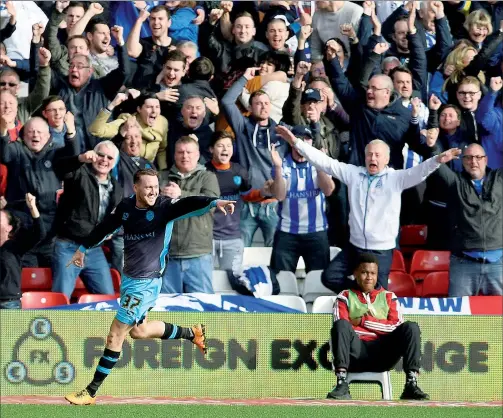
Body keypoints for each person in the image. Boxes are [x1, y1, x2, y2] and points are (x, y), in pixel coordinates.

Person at [64, 168, 235, 405]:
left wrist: (215, 202)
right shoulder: (126, 208)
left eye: (155, 186)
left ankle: (90, 392)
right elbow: (106, 227)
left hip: (146, 282)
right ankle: (191, 333)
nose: (153, 191)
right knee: (139, 332)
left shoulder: (164, 207)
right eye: (148, 187)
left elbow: (189, 204)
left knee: (116, 334)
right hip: (130, 279)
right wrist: (83, 249)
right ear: (136, 188)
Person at [275, 125, 461, 292]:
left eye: (378, 155)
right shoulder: (353, 174)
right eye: (369, 154)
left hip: (380, 251)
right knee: (330, 276)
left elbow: (419, 171)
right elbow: (325, 162)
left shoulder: (395, 179)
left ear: (387, 159)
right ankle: (359, 295)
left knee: (379, 296)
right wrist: (295, 142)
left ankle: (374, 317)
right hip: (355, 247)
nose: (373, 158)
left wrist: (437, 160)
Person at [327, 253, 429, 401]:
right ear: (355, 274)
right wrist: (380, 325)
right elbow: (342, 327)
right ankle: (341, 384)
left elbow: (395, 325)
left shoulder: (389, 297)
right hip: (355, 353)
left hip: (383, 353)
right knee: (341, 325)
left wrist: (363, 321)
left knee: (411, 327)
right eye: (364, 272)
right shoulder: (344, 296)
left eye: (373, 273)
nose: (369, 277)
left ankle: (411, 385)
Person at [52, 141, 123, 300]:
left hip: (94, 249)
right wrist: (80, 159)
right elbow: (59, 167)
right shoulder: (78, 173)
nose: (104, 160)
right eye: (100, 155)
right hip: (68, 247)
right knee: (60, 298)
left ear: (114, 163)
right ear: (93, 156)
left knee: (107, 299)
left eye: (109, 157)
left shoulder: (116, 187)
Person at [429, 143, 502, 296]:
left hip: (498, 264)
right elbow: (437, 167)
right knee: (458, 318)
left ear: (486, 160)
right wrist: (434, 150)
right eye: (468, 158)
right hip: (464, 264)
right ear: (462, 161)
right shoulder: (455, 181)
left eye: (478, 157)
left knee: (499, 317)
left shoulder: (499, 180)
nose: (473, 162)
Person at [269, 125, 334, 274]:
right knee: (282, 280)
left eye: (306, 139)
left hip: (317, 232)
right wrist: (278, 168)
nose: (303, 143)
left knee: (318, 282)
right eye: (299, 139)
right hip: (287, 233)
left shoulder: (321, 162)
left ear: (311, 142)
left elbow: (329, 190)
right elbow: (279, 195)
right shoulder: (282, 164)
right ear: (292, 142)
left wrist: (319, 165)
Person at [159, 136, 220, 293]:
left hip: (197, 254)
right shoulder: (162, 178)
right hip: (168, 256)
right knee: (167, 309)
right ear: (174, 155)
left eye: (189, 152)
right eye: (180, 152)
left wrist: (181, 194)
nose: (184, 156)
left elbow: (210, 204)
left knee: (202, 308)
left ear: (198, 155)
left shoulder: (208, 177)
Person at [0, 193, 44, 309]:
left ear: (9, 227)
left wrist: (33, 208)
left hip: (9, 303)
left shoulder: (14, 246)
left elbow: (39, 234)